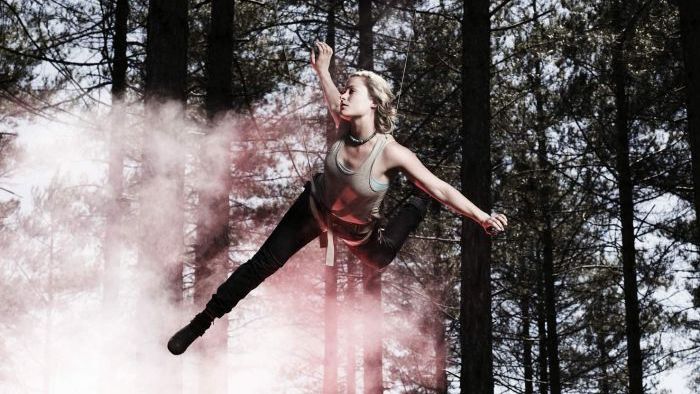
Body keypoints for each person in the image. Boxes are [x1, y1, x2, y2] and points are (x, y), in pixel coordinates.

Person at [167, 41, 508, 355]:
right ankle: (201, 322)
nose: (343, 97)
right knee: (261, 265)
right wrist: (322, 69)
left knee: (383, 253)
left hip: (357, 233)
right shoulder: (342, 123)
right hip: (313, 210)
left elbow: (442, 188)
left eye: (352, 91)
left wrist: (482, 217)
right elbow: (332, 95)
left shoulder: (393, 153)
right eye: (344, 91)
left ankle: (417, 204)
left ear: (373, 102)